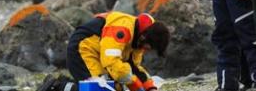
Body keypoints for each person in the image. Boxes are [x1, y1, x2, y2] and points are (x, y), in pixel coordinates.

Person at [39, 12, 169, 91]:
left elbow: (134, 68)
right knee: (99, 89)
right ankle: (56, 86)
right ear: (144, 37)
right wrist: (136, 85)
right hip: (83, 48)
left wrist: (149, 88)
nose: (147, 50)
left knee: (115, 88)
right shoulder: (122, 30)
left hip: (99, 54)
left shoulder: (139, 39)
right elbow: (112, 62)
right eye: (149, 46)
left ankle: (67, 83)